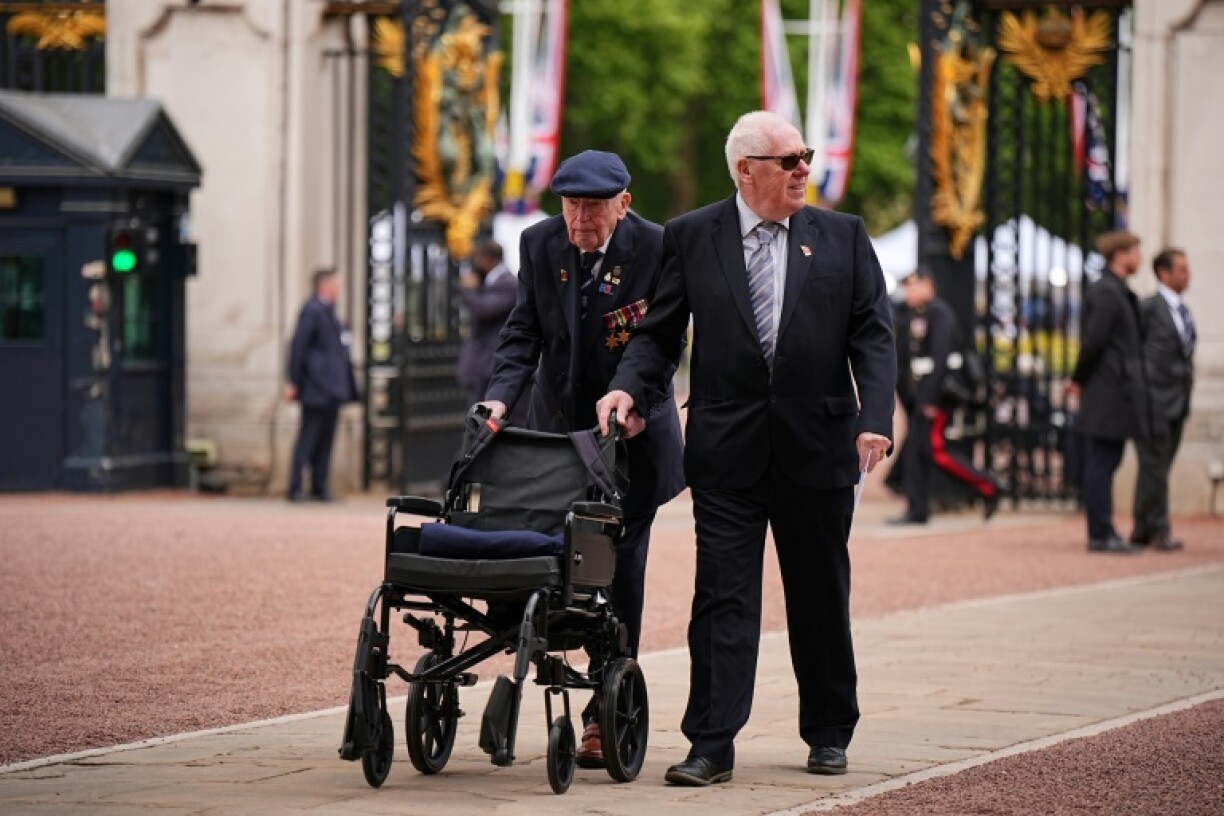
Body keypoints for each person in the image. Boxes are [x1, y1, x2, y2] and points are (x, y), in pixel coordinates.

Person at [597, 111, 895, 784]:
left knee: (819, 593)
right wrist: (627, 390)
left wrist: (874, 418)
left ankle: (828, 729)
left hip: (818, 447)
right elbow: (658, 333)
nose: (803, 170)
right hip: (727, 450)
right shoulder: (691, 235)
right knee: (723, 597)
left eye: (805, 157)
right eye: (789, 159)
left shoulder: (842, 236)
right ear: (745, 170)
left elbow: (873, 335)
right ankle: (711, 742)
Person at [480, 150, 685, 768]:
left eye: (593, 209)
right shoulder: (539, 243)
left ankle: (602, 713)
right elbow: (523, 333)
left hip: (633, 440)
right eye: (571, 207)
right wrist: (497, 399)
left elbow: (661, 340)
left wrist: (631, 397)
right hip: (557, 440)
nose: (579, 222)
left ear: (623, 203)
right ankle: (526, 672)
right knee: (541, 557)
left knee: (617, 575)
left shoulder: (656, 247)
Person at [889, 269, 999, 524]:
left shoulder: (940, 313)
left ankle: (987, 485)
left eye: (915, 287)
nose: (910, 293)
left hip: (936, 396)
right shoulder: (914, 315)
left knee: (935, 451)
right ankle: (917, 508)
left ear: (929, 286)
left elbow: (940, 360)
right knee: (920, 451)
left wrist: (928, 400)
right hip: (920, 396)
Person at [1067, 231, 1151, 553]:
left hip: (1115, 391)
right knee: (1101, 463)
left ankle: (1104, 530)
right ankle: (1100, 533)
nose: (1139, 259)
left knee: (1106, 462)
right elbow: (1094, 343)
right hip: (1107, 391)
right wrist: (1078, 378)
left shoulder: (1116, 291)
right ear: (1119, 255)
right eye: (1134, 252)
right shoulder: (1106, 292)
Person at [1131, 248, 1194, 551]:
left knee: (1158, 468)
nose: (1187, 275)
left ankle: (1143, 527)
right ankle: (1157, 528)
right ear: (1163, 273)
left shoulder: (1183, 310)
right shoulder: (1149, 308)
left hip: (1178, 403)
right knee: (1154, 467)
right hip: (1154, 402)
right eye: (1181, 269)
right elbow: (1135, 355)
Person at [285, 268, 358, 502]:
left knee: (325, 441)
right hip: (315, 387)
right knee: (308, 438)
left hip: (332, 389)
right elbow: (298, 347)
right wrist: (294, 380)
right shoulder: (312, 310)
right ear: (324, 285)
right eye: (336, 283)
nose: (339, 288)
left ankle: (319, 485)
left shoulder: (330, 312)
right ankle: (296, 486)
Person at [455, 240, 525, 421]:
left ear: (486, 259)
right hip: (483, 367)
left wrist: (468, 289)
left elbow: (483, 310)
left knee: (484, 422)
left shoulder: (508, 283)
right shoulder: (492, 282)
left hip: (490, 366)